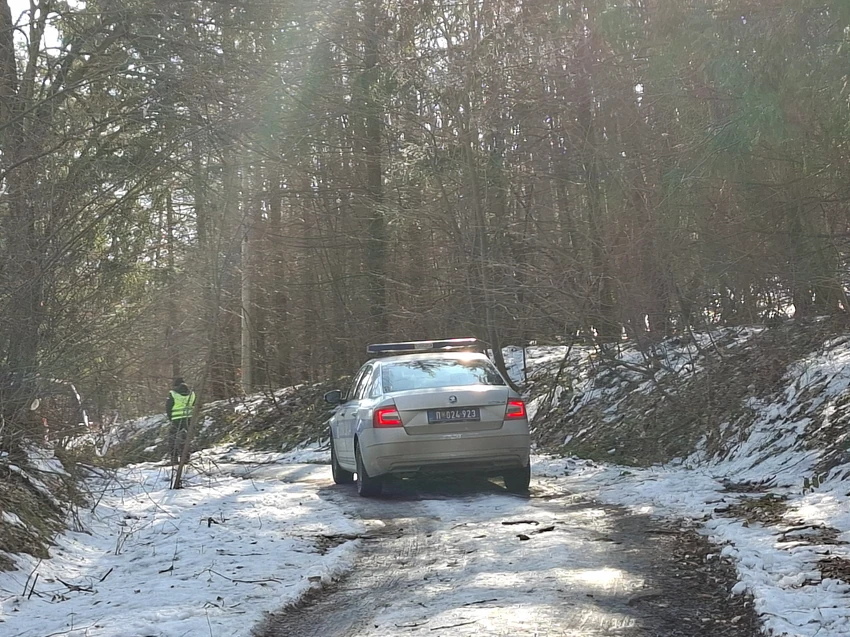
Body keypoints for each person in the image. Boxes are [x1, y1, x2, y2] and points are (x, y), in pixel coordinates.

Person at [166, 377, 196, 465]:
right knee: (186, 438)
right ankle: (186, 458)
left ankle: (174, 458)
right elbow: (195, 405)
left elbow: (168, 407)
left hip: (176, 419)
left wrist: (170, 418)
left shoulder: (173, 394)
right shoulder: (192, 394)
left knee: (173, 439)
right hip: (188, 419)